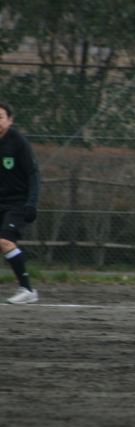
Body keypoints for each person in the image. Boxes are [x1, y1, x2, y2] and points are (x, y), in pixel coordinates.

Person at [0, 102, 40, 304]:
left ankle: (27, 290)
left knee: (5, 241)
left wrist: (31, 203)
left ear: (10, 120)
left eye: (0, 117)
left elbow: (33, 174)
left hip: (17, 202)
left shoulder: (18, 142)